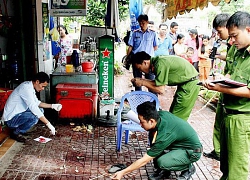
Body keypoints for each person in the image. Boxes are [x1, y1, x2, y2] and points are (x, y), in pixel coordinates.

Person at [202, 11, 250, 180]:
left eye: (235, 36)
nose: (231, 41)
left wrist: (221, 89)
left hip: (242, 119)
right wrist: (220, 81)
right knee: (227, 167)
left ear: (248, 30)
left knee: (237, 171)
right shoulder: (238, 52)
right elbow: (231, 76)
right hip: (228, 114)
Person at [111, 101, 202, 180]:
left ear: (151, 121)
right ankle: (165, 170)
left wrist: (122, 172)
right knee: (154, 145)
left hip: (192, 152)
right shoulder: (159, 115)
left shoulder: (164, 134)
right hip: (178, 145)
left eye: (142, 122)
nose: (140, 125)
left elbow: (144, 160)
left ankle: (188, 167)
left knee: (162, 162)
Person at [130, 51, 199, 120]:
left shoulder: (160, 64)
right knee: (172, 113)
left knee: (177, 118)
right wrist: (143, 81)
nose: (141, 71)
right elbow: (158, 83)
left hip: (190, 85)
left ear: (145, 62)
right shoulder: (157, 62)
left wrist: (143, 82)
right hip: (186, 83)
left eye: (139, 68)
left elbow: (160, 89)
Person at [203, 13, 232, 162]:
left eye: (220, 31)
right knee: (218, 122)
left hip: (237, 105)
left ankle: (223, 152)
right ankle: (218, 150)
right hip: (224, 91)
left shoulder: (237, 45)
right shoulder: (229, 44)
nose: (219, 35)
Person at [2, 72, 62, 143]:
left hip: (18, 114)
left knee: (40, 110)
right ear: (37, 82)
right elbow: (33, 107)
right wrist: (48, 124)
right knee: (34, 116)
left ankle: (20, 129)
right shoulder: (25, 88)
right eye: (42, 86)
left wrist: (52, 106)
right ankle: (16, 132)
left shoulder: (30, 86)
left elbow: (37, 103)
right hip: (10, 120)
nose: (42, 89)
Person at [126, 14, 158, 91]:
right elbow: (130, 47)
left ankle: (153, 101)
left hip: (148, 61)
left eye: (143, 23)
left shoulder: (153, 34)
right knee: (137, 81)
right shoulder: (135, 33)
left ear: (147, 22)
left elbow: (155, 47)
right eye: (140, 23)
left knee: (151, 82)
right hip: (136, 60)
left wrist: (148, 54)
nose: (141, 25)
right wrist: (127, 58)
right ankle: (139, 99)